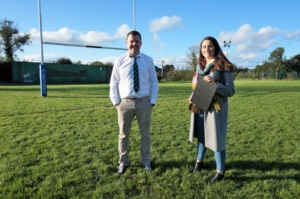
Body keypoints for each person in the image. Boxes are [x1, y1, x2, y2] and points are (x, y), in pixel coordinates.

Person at [110, 30, 159, 175]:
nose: (134, 44)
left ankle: (146, 162)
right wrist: (116, 102)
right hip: (125, 103)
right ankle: (123, 162)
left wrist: (152, 102)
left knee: (145, 135)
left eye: (137, 41)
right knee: (123, 135)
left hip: (144, 102)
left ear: (141, 43)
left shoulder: (148, 60)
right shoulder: (119, 60)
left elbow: (153, 83)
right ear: (126, 43)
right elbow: (113, 83)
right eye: (131, 41)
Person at [188, 36, 235, 182]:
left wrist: (215, 85)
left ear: (215, 48)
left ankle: (220, 172)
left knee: (217, 139)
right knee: (201, 137)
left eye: (209, 46)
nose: (206, 49)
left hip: (215, 110)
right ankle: (199, 163)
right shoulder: (200, 66)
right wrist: (192, 95)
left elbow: (230, 90)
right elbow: (197, 86)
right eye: (203, 47)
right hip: (199, 106)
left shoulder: (223, 66)